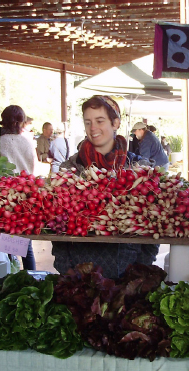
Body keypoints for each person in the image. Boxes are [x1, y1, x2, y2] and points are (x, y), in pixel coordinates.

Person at [51, 96, 159, 279]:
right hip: (79, 270)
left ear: (115, 123)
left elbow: (153, 221)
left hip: (127, 269)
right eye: (88, 122)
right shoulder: (69, 169)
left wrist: (140, 267)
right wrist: (66, 266)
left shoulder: (138, 167)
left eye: (100, 121)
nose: (93, 128)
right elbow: (56, 220)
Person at [0, 105, 37, 270]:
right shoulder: (27, 142)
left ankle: (13, 275)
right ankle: (31, 278)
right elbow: (32, 168)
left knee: (9, 245)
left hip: (6, 196)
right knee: (25, 246)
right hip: (25, 194)